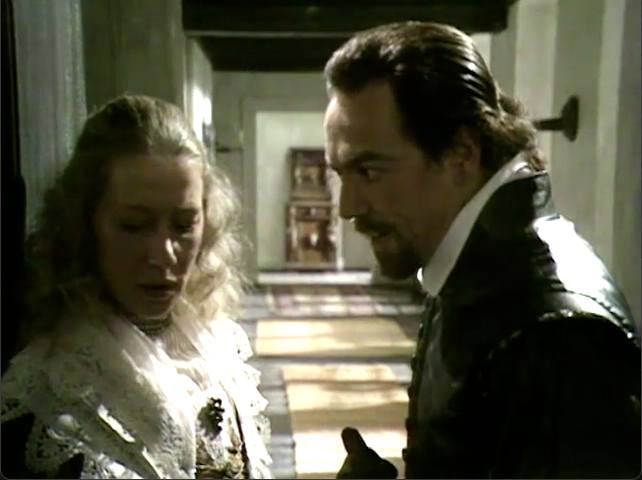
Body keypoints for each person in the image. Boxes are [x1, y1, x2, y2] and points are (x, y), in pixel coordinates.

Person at [323, 22, 641, 479]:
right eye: (341, 174)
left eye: (369, 171)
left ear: (461, 153)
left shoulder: (553, 334)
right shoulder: (476, 266)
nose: (347, 207)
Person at [1, 95, 273, 479]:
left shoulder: (214, 348)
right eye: (133, 226)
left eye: (183, 225)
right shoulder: (53, 392)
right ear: (86, 225)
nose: (163, 254)